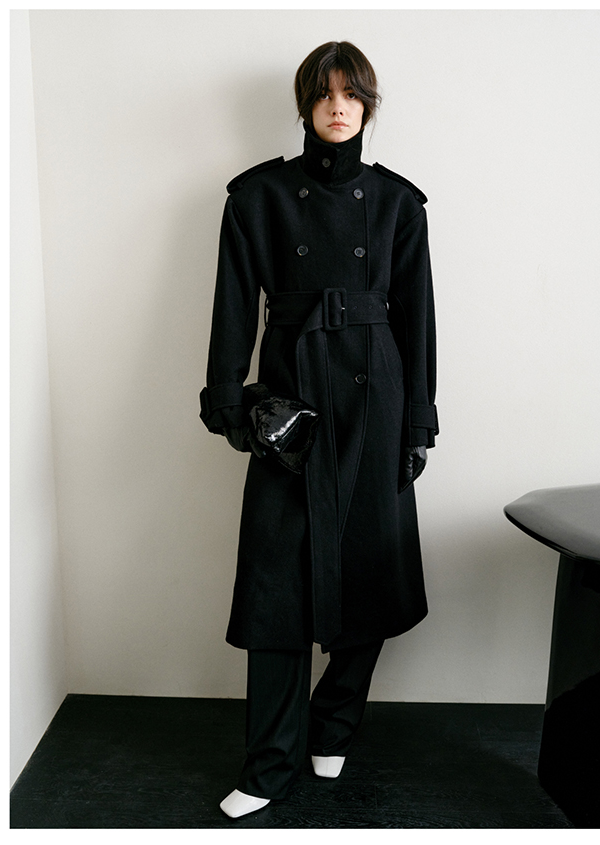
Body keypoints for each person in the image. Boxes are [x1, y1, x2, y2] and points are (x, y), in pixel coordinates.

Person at [200, 41, 438, 819]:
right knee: (276, 583)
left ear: (368, 105)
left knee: (371, 566)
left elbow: (418, 320)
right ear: (305, 104)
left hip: (376, 396)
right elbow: (234, 306)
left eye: (352, 94)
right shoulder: (258, 196)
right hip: (291, 397)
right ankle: (270, 760)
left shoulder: (398, 203)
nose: (339, 107)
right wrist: (231, 403)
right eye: (325, 94)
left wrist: (418, 419)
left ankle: (334, 722)